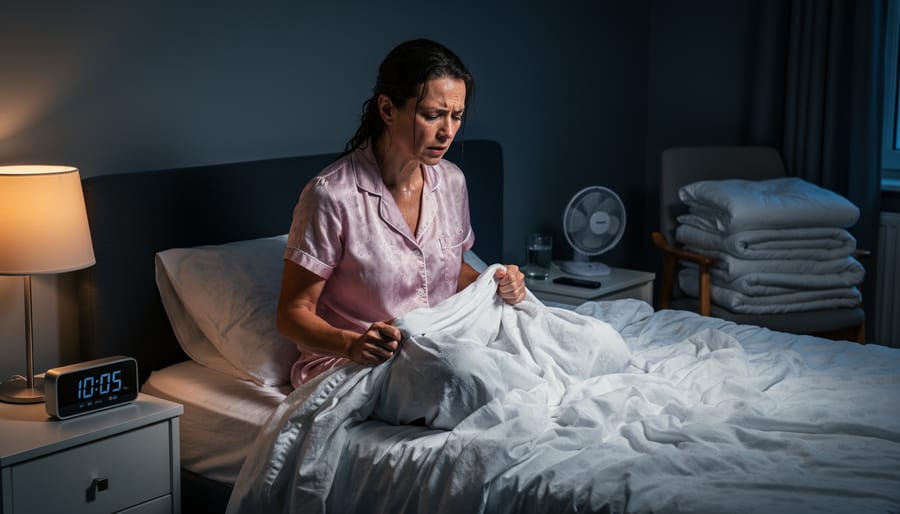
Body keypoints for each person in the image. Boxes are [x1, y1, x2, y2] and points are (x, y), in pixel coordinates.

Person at [277, 38, 526, 387]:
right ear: (388, 109)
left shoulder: (452, 181)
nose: (448, 131)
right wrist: (353, 344)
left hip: (438, 340)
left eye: (457, 116)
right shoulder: (331, 195)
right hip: (355, 362)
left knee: (570, 343)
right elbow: (292, 313)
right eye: (432, 115)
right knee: (467, 377)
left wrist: (497, 282)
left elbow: (446, 271)